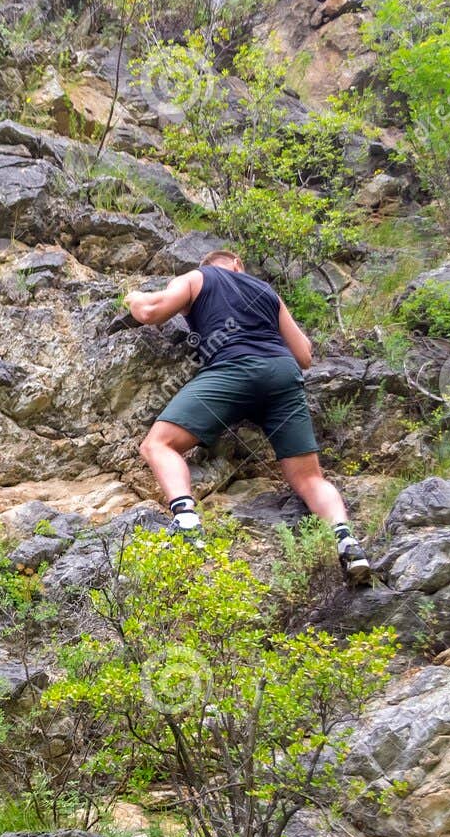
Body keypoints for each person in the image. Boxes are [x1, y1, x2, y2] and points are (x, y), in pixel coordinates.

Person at [123, 249, 372, 585]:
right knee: (309, 478)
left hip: (233, 370)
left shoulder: (199, 277)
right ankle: (347, 541)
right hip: (282, 374)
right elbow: (304, 356)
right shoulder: (268, 292)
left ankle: (186, 522)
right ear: (238, 264)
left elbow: (151, 311)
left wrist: (132, 295)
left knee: (159, 444)